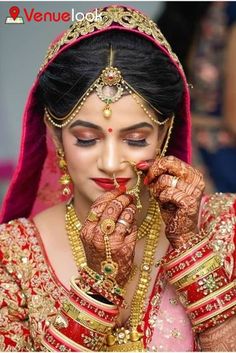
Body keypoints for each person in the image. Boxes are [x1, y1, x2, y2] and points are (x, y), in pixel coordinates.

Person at [0, 5, 235, 352]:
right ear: (54, 133)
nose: (111, 163)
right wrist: (97, 289)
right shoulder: (12, 255)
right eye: (86, 138)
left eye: (136, 139)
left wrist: (191, 250)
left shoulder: (223, 226)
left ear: (164, 132)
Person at [157, 2, 236, 194]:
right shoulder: (226, 13)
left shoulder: (197, 10)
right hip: (215, 162)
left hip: (180, 147)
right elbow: (233, 116)